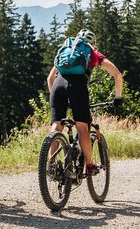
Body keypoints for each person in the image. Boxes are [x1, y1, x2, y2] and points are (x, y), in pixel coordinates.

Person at [46, 29, 123, 176]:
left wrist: (56, 101)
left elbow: (50, 78)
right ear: (92, 43)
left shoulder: (67, 51)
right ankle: (89, 165)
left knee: (57, 125)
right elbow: (117, 74)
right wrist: (118, 98)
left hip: (58, 85)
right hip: (77, 86)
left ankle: (52, 164)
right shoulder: (93, 53)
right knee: (82, 126)